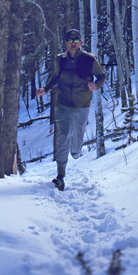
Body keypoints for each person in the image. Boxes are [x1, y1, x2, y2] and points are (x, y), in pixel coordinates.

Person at [36, 29, 107, 191]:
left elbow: (102, 75)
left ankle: (76, 151)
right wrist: (45, 89)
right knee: (62, 137)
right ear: (65, 43)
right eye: (70, 40)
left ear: (81, 43)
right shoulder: (59, 60)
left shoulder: (89, 60)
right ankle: (60, 176)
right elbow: (55, 78)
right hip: (62, 104)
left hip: (82, 104)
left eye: (76, 40)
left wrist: (96, 85)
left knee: (77, 138)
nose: (73, 43)